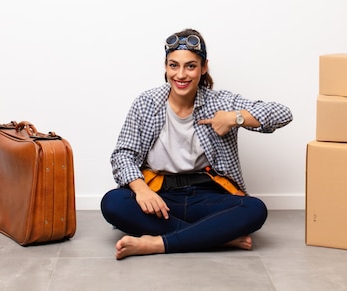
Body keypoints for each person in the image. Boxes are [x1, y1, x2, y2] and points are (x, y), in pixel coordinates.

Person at [100, 28, 293, 260]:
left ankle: (158, 243)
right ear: (165, 66)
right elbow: (122, 155)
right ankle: (216, 236)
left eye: (190, 66)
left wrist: (234, 118)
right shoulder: (146, 103)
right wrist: (142, 191)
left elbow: (283, 114)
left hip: (207, 195)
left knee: (254, 209)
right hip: (161, 194)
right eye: (174, 65)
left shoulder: (220, 102)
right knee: (113, 202)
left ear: (204, 67)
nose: (181, 75)